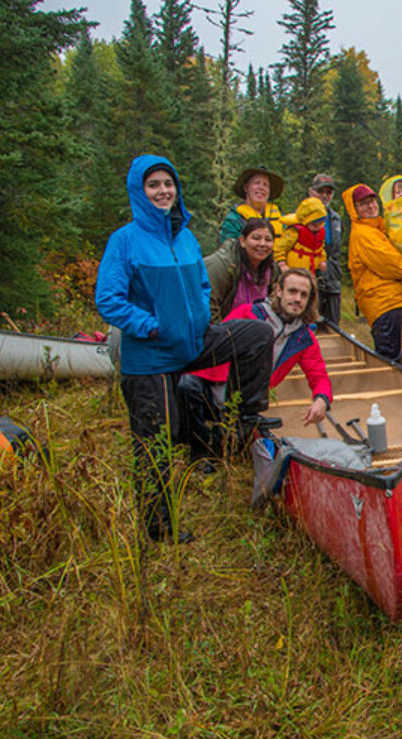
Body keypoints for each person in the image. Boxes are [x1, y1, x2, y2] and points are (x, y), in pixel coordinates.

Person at [95, 155, 274, 543]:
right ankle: (159, 528)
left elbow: (202, 285)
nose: (163, 191)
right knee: (157, 440)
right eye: (153, 185)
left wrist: (198, 317)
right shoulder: (125, 241)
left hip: (194, 341)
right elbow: (108, 300)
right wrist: (152, 327)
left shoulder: (186, 237)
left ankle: (243, 419)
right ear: (139, 192)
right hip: (152, 355)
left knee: (258, 334)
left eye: (168, 184)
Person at [183, 268, 334, 465]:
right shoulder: (248, 313)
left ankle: (224, 444)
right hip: (211, 387)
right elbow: (215, 346)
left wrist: (321, 400)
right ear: (279, 291)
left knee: (243, 448)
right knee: (186, 386)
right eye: (292, 291)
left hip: (245, 402)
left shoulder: (304, 338)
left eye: (304, 295)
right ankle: (200, 451)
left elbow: (319, 375)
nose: (297, 299)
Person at [343, 183, 402, 363]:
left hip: (395, 304)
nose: (371, 206)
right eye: (363, 204)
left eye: (372, 201)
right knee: (393, 363)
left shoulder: (378, 229)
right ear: (354, 209)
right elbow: (392, 265)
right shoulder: (364, 234)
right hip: (387, 306)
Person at [204, 217, 278, 321]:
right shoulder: (222, 265)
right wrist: (222, 335)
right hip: (223, 329)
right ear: (242, 241)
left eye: (268, 240)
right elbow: (208, 307)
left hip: (257, 329)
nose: (262, 244)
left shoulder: (272, 270)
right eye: (256, 238)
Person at [307, 173, 344, 330]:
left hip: (332, 278)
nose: (324, 196)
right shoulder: (301, 216)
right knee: (309, 326)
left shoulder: (335, 218)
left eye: (328, 192)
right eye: (320, 191)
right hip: (310, 278)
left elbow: (336, 251)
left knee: (333, 328)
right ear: (311, 192)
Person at [219, 165, 284, 242]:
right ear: (246, 187)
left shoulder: (281, 219)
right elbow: (226, 250)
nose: (261, 188)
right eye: (257, 183)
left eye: (265, 185)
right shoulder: (233, 220)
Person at [273, 196, 328, 272]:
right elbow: (280, 248)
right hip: (294, 271)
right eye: (314, 224)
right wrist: (282, 264)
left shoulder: (320, 232)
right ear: (305, 221)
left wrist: (322, 261)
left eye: (320, 223)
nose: (318, 227)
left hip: (313, 271)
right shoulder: (294, 231)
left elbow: (321, 248)